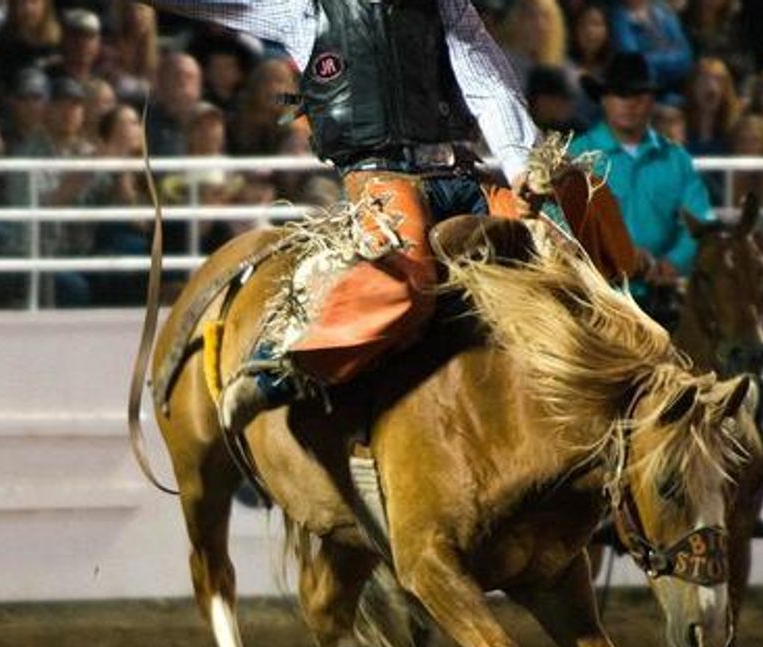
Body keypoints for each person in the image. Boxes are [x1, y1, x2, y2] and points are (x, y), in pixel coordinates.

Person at [146, 0, 542, 437]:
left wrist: (522, 165)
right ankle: (287, 366)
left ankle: (619, 339)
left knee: (552, 241)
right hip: (382, 175)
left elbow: (487, 82)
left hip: (462, 171)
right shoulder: (302, 9)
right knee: (404, 272)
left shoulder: (446, 6)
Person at [569, 51, 712, 329]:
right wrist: (617, 254)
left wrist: (673, 263)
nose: (630, 103)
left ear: (651, 101)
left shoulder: (676, 159)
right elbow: (561, 222)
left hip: (663, 300)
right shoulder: (577, 155)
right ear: (604, 99)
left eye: (639, 95)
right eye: (620, 94)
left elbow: (701, 222)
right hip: (594, 297)